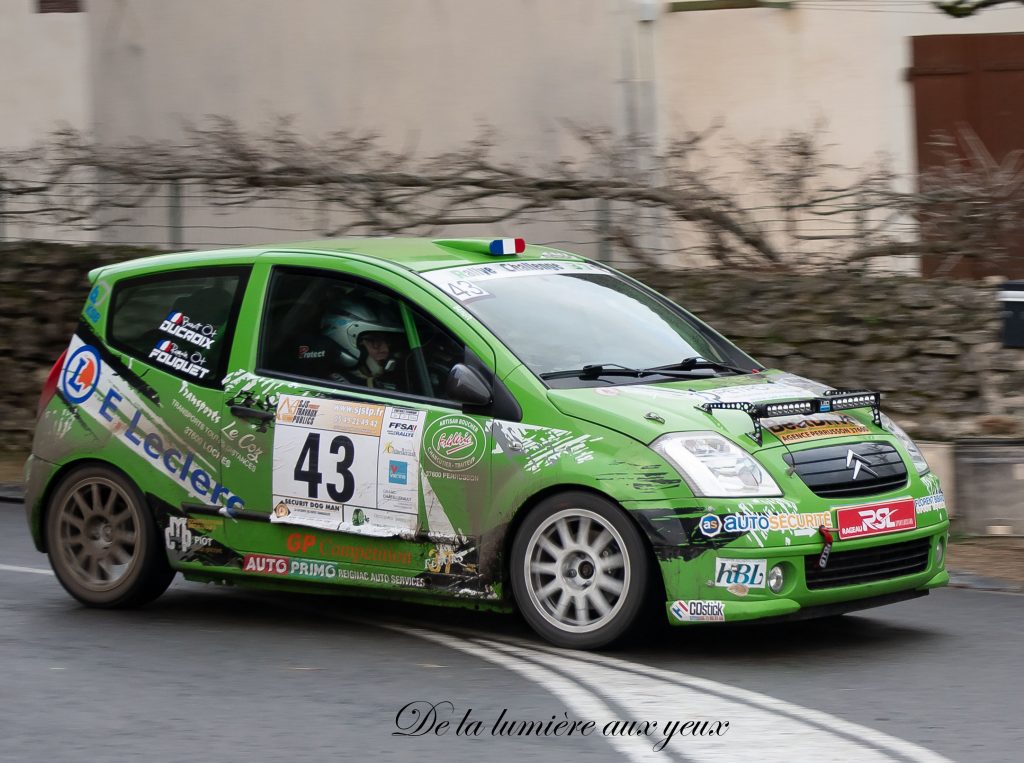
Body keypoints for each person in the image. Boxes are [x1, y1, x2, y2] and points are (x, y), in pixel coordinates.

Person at [320, 301, 406, 390]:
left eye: (387, 341)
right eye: (374, 341)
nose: (385, 349)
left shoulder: (391, 380)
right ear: (344, 340)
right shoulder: (333, 389)